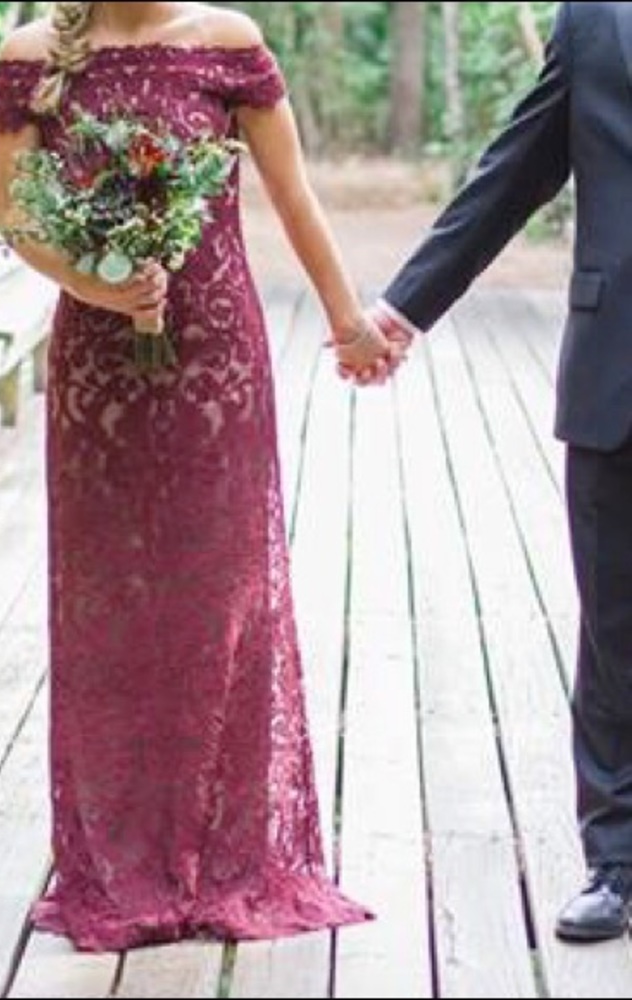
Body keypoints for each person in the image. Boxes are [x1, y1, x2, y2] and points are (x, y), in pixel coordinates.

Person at [0, 1, 389, 951]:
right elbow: (14, 215)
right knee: (110, 598)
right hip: (97, 365)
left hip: (216, 357)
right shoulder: (33, 56)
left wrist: (348, 324)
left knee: (222, 594)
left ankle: (230, 854)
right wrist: (93, 283)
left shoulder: (230, 44)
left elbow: (294, 197)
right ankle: (122, 855)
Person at [368, 0, 632, 943]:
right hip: (619, 365)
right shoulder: (595, 18)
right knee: (614, 619)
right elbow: (518, 169)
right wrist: (405, 307)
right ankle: (617, 862)